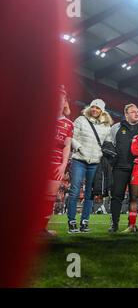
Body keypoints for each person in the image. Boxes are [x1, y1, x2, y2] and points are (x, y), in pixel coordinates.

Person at [68, 99, 113, 233]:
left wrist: (107, 153)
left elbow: (107, 143)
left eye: (98, 108)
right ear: (89, 108)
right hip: (79, 160)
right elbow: (71, 137)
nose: (95, 110)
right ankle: (71, 222)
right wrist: (80, 148)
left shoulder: (106, 126)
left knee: (90, 193)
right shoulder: (81, 120)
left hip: (95, 162)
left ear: (102, 111)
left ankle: (84, 222)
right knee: (75, 191)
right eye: (93, 107)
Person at [108, 104, 138, 232]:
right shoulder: (116, 128)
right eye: (133, 112)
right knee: (117, 196)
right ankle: (114, 224)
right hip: (120, 168)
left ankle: (132, 224)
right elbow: (109, 145)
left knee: (135, 197)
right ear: (126, 114)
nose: (137, 114)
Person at [45, 85, 73, 236]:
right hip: (40, 161)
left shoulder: (69, 124)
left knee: (50, 198)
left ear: (65, 102)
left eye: (61, 99)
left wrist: (63, 165)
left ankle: (42, 228)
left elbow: (67, 146)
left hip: (56, 164)